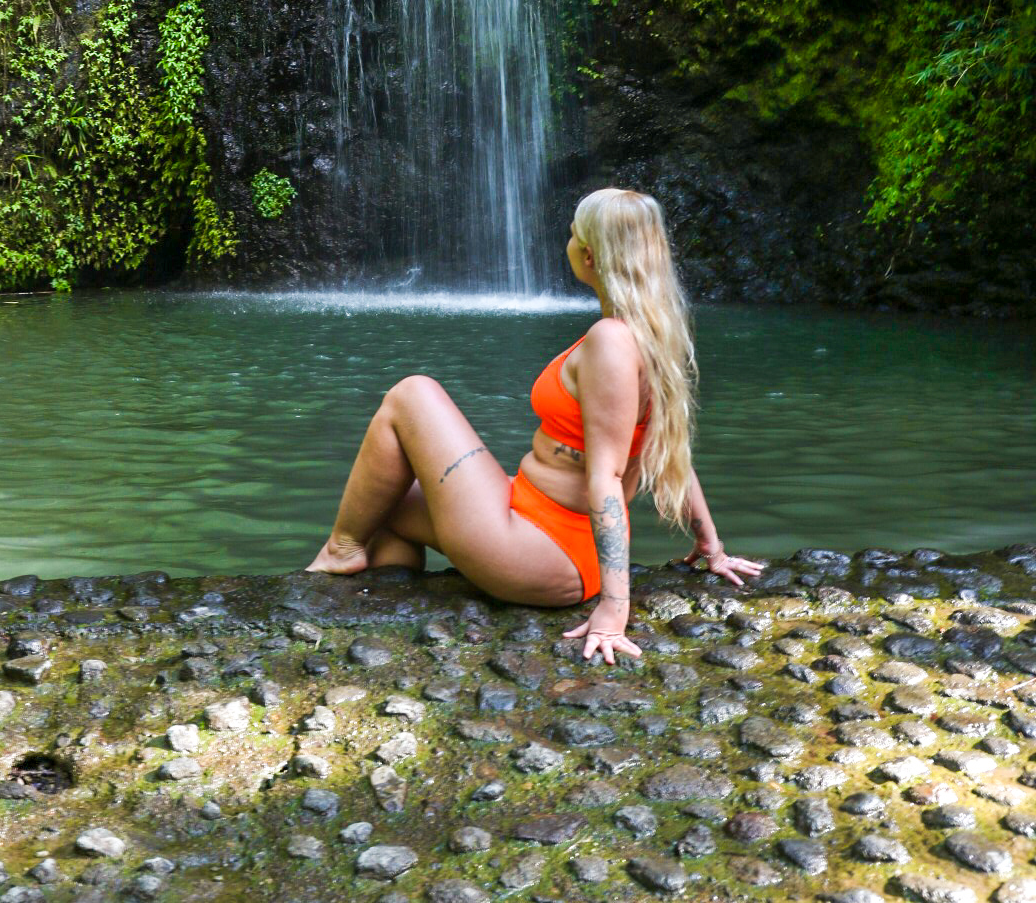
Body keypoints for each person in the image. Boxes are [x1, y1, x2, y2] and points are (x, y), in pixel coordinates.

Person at [307, 187, 764, 663]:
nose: (566, 243)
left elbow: (607, 477)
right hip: (535, 518)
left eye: (571, 234)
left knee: (413, 393)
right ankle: (388, 606)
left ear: (588, 254)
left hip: (548, 547)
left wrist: (615, 607)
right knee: (381, 503)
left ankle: (340, 550)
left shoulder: (610, 340)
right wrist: (710, 546)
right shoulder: (652, 335)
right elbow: (669, 449)